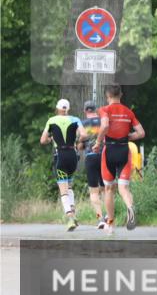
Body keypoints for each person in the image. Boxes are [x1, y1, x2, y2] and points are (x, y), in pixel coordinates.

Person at [92, 84, 145, 235]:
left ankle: (110, 225)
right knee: (124, 188)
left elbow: (104, 126)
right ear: (120, 95)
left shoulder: (104, 110)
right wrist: (128, 136)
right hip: (124, 150)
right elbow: (141, 133)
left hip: (109, 150)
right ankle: (130, 207)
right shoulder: (128, 112)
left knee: (109, 189)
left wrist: (98, 142)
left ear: (107, 96)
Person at [40, 99, 82, 231]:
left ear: (57, 108)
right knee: (69, 186)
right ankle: (73, 214)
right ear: (68, 109)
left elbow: (43, 140)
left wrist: (51, 139)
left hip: (61, 156)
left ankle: (70, 219)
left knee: (63, 190)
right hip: (73, 156)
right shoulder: (75, 119)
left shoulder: (51, 120)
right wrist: (77, 141)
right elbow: (84, 135)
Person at [78, 100, 107, 229]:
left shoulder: (82, 124)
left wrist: (81, 142)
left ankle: (100, 219)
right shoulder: (103, 121)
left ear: (85, 111)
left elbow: (80, 146)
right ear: (96, 109)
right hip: (104, 156)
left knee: (93, 191)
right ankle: (108, 215)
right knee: (106, 188)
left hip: (90, 157)